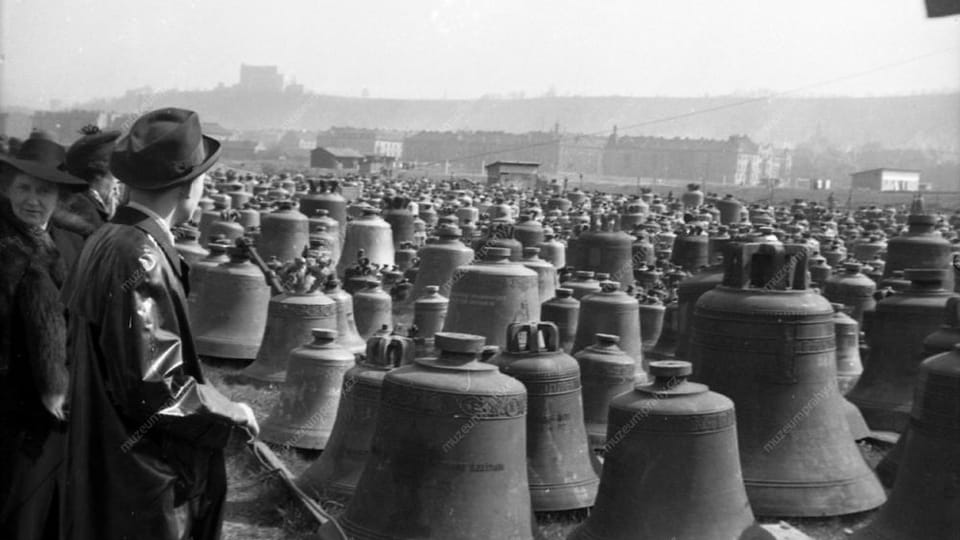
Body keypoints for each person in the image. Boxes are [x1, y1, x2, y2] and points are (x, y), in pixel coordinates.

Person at [61, 108, 259, 540]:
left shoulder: (105, 239)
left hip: (104, 465)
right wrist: (231, 410)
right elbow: (157, 390)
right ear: (187, 184)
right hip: (143, 484)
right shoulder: (141, 256)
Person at [0, 130, 89, 540]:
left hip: (60, 407)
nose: (32, 200)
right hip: (11, 405)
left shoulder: (73, 242)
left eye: (43, 191)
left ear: (61, 199)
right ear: (8, 188)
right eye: (23, 188)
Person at [51, 125, 122, 269]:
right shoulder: (86, 213)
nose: (117, 186)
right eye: (115, 177)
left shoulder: (84, 206)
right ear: (99, 177)